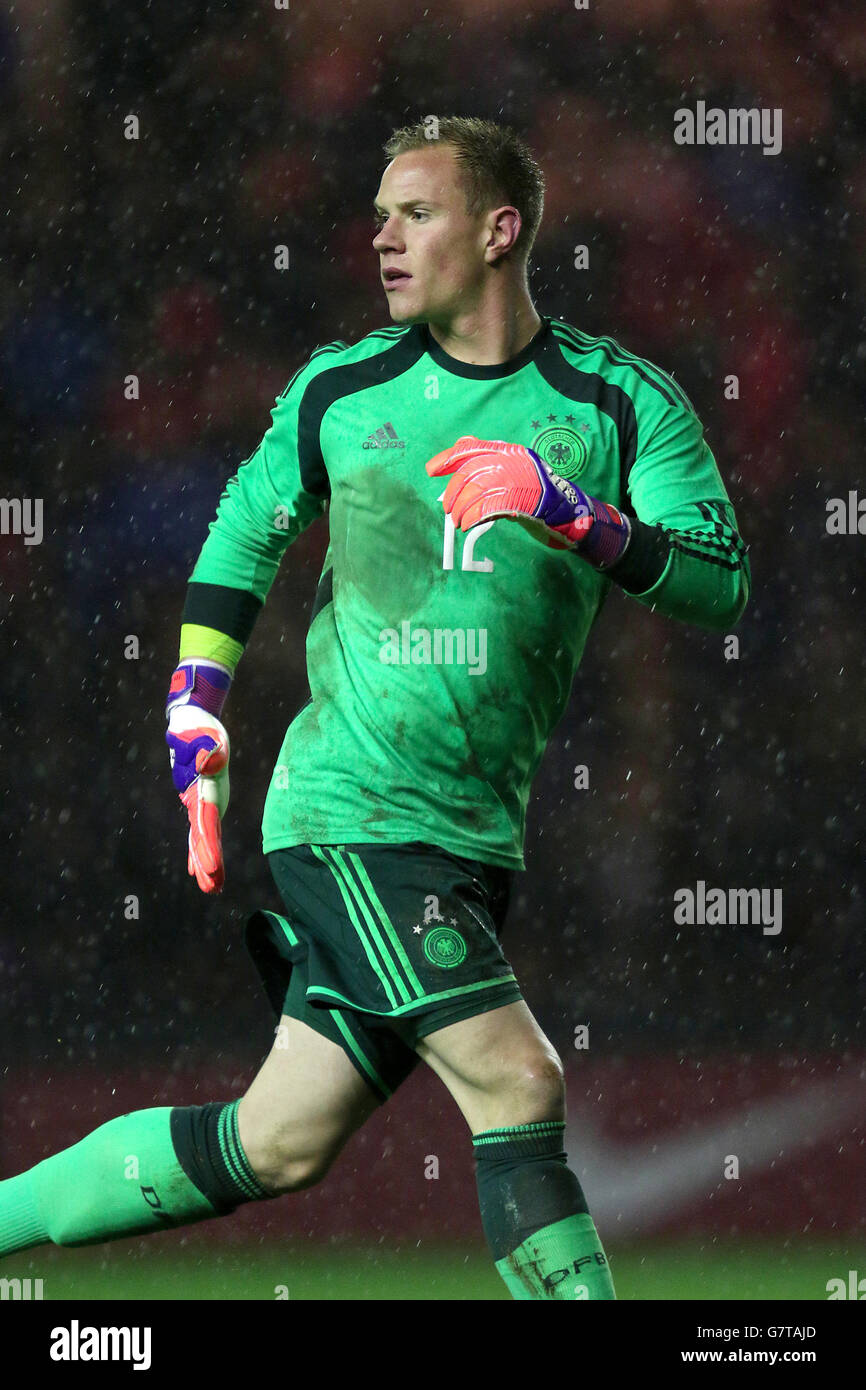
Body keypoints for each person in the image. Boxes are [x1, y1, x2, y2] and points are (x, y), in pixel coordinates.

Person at [0, 116, 750, 1300]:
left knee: (274, 1139)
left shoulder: (617, 404)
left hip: (469, 834)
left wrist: (569, 512)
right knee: (517, 1081)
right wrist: (196, 706)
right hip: (351, 808)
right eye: (377, 217)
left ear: (501, 232)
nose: (381, 238)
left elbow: (717, 580)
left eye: (415, 214)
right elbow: (243, 532)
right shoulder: (342, 389)